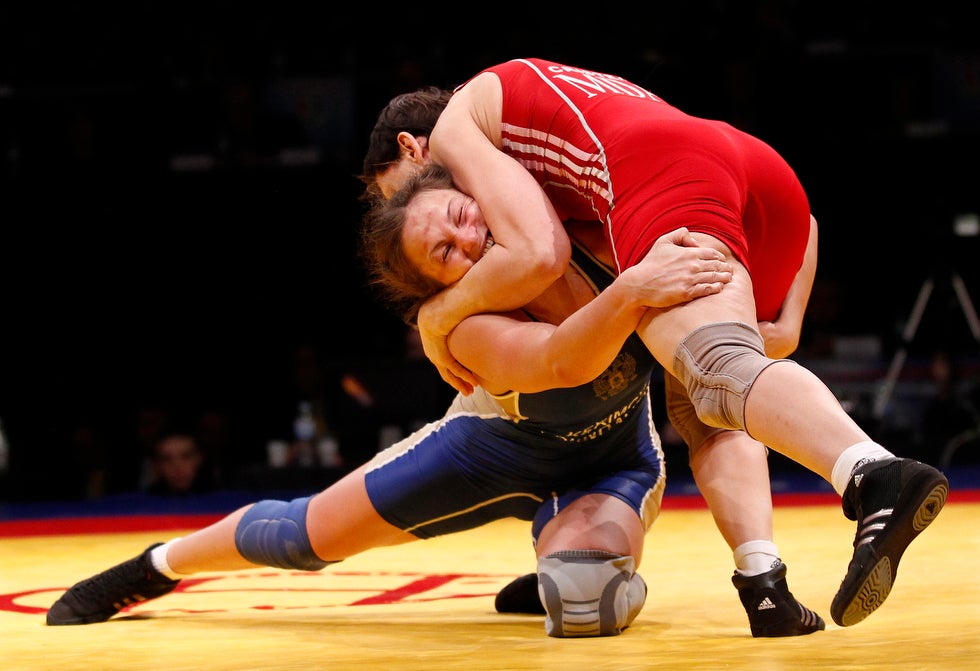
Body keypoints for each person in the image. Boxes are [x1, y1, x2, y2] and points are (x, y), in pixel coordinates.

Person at [358, 58, 949, 629]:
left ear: (414, 148)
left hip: (666, 173)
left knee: (716, 371)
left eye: (401, 194)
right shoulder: (524, 161)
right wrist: (789, 318)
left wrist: (435, 319)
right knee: (702, 404)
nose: (410, 210)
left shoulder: (461, 126)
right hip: (754, 176)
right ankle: (763, 583)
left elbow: (542, 257)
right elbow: (802, 223)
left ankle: (873, 474)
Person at [46, 222, 742, 638]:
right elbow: (561, 359)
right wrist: (631, 291)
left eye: (466, 219)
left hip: (610, 461)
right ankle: (157, 564)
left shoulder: (589, 228)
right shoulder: (466, 318)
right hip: (486, 450)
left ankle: (562, 565)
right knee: (302, 535)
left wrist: (772, 321)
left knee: (587, 606)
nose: (470, 241)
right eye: (446, 250)